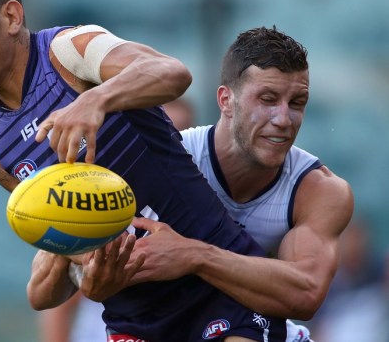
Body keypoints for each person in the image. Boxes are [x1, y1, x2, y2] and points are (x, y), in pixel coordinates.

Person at [0, 0, 287, 341]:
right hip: (136, 323)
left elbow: (172, 72)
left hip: (219, 288)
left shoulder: (68, 52)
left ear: (12, 17)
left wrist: (94, 101)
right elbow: (67, 252)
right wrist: (88, 275)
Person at [119, 26, 354, 341]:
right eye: (268, 99)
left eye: (297, 103)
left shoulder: (319, 190)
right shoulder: (168, 160)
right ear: (226, 100)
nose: (284, 119)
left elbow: (305, 294)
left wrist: (194, 255)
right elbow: (51, 285)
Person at [37, 97, 197, 342]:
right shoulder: (101, 212)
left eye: (180, 137)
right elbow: (55, 306)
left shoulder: (197, 215)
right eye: (160, 137)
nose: (169, 149)